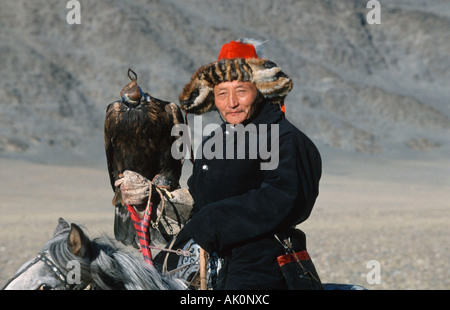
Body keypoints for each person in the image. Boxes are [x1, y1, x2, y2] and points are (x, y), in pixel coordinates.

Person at [120, 39, 322, 290]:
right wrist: (154, 201)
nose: (231, 103)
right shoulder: (214, 141)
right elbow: (199, 198)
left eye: (241, 91)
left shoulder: (286, 139)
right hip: (207, 262)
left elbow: (284, 198)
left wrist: (212, 221)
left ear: (259, 90)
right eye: (222, 94)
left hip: (264, 267)